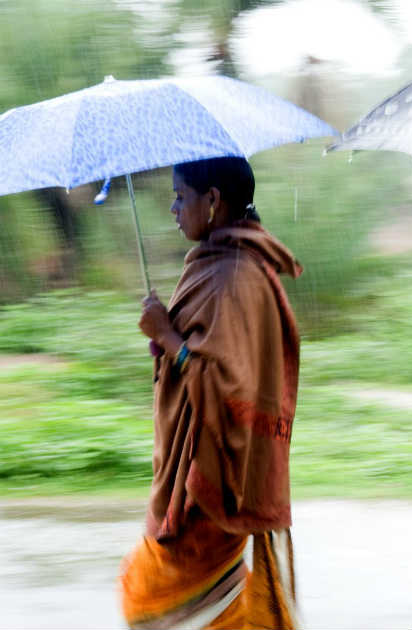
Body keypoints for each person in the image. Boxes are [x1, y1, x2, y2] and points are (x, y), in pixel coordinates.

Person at [119, 157, 303, 629]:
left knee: (153, 599)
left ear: (214, 200)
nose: (173, 208)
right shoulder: (222, 264)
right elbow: (205, 357)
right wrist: (167, 339)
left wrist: (169, 336)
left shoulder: (234, 275)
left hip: (212, 484)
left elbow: (225, 390)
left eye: (181, 196)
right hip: (197, 473)